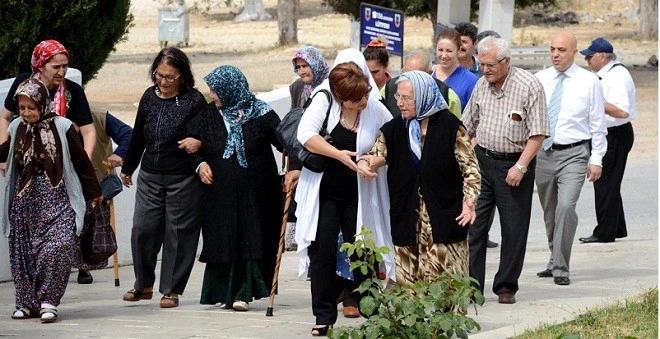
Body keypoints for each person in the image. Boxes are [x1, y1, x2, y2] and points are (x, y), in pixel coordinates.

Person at [295, 49, 393, 336]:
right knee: (323, 251)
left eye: (365, 96)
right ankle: (324, 315)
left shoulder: (373, 104)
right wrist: (340, 156)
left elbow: (391, 137)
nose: (363, 102)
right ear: (340, 98)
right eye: (356, 100)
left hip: (359, 193)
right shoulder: (324, 100)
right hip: (326, 192)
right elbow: (306, 135)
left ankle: (370, 306)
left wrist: (374, 158)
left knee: (363, 250)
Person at [359, 70, 480, 286]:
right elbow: (377, 154)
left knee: (446, 282)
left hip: (443, 214)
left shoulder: (450, 127)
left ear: (424, 96)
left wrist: (469, 200)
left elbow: (470, 169)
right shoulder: (395, 128)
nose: (400, 103)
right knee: (407, 284)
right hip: (407, 215)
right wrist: (367, 162)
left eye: (406, 98)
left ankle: (448, 320)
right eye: (398, 97)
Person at [0, 78, 102, 323]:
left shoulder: (63, 126)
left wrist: (94, 193)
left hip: (58, 198)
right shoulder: (16, 128)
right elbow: (6, 151)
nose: (26, 113)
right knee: (23, 253)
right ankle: (26, 303)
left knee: (58, 246)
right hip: (25, 201)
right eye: (21, 108)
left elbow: (81, 162)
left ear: (42, 103)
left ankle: (48, 301)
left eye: (30, 107)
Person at [187, 65, 283, 312]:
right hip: (219, 194)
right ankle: (223, 292)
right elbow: (190, 149)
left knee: (250, 238)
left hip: (257, 192)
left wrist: (295, 167)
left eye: (216, 90)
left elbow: (286, 143)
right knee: (223, 238)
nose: (212, 95)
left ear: (231, 89)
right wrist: (200, 165)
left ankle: (244, 293)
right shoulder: (208, 114)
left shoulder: (261, 113)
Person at [462, 36, 549, 304]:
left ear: (506, 61)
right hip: (483, 162)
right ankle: (472, 287)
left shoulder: (528, 86)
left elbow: (538, 133)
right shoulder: (481, 85)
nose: (485, 70)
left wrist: (521, 167)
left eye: (489, 65)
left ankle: (506, 286)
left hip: (514, 165)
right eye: (481, 64)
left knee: (513, 229)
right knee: (474, 227)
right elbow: (467, 125)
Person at [120, 46, 207, 308]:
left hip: (182, 176)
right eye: (159, 75)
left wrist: (199, 144)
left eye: (170, 77)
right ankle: (143, 284)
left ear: (182, 75)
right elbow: (138, 135)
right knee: (142, 229)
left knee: (178, 233)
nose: (164, 82)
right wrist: (128, 166)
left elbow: (205, 135)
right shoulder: (149, 97)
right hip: (150, 173)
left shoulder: (194, 101)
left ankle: (171, 289)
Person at [534, 32, 606, 286]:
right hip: (543, 153)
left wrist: (596, 158)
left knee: (566, 206)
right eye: (552, 49)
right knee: (550, 211)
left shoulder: (589, 81)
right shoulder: (540, 79)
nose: (555, 54)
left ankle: (561, 266)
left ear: (575, 52)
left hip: (575, 154)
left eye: (562, 50)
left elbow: (598, 123)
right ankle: (554, 257)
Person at [0, 40, 96, 170]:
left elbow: (88, 131)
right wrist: (4, 157)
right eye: (56, 67)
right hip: (26, 161)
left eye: (65, 66)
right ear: (40, 66)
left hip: (63, 163)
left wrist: (86, 162)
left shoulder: (74, 91)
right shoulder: (23, 83)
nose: (62, 72)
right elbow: (4, 117)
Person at [577, 38, 636, 244]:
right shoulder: (604, 75)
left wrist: (593, 102)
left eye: (590, 56)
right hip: (608, 133)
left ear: (603, 57)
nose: (586, 60)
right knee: (610, 184)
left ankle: (604, 232)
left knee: (605, 184)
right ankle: (616, 227)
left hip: (615, 134)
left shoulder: (617, 76)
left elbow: (622, 110)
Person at [74, 109, 133, 284]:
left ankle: (84, 266)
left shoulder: (97, 117)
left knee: (93, 225)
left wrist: (119, 153)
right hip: (67, 180)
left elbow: (128, 134)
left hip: (97, 178)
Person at [286, 46, 330, 251]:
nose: (302, 71)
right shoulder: (297, 88)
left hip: (323, 156)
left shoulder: (329, 87)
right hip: (301, 153)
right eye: (299, 67)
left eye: (306, 66)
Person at [383, 50, 462, 118]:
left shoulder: (448, 97)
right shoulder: (388, 89)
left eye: (417, 76)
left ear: (430, 74)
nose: (410, 80)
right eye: (406, 74)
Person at [432, 29, 478, 112]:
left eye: (449, 51)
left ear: (459, 50)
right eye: (440, 50)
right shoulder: (429, 73)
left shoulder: (470, 80)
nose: (444, 55)